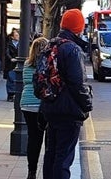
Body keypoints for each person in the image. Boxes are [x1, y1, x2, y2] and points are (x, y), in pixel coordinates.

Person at [41, 9, 92, 179]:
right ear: (77, 28)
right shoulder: (72, 49)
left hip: (50, 106)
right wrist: (87, 105)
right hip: (69, 110)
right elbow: (78, 84)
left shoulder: (50, 45)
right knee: (63, 159)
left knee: (51, 155)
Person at [21, 36, 49, 179]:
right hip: (42, 104)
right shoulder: (47, 64)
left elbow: (25, 81)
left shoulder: (26, 63)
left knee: (33, 139)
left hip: (26, 104)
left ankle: (31, 172)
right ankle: (48, 171)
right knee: (49, 140)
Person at [5, 28, 20, 101]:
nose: (18, 36)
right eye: (16, 35)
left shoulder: (21, 44)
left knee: (16, 79)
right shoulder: (9, 44)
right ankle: (10, 94)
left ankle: (15, 94)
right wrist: (11, 58)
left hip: (17, 63)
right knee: (11, 79)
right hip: (11, 64)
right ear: (12, 37)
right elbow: (7, 53)